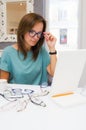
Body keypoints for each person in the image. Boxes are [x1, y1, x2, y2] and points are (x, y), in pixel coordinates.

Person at [0, 13, 57, 85]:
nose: (36, 37)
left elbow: (54, 73)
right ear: (23, 30)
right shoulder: (8, 53)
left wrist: (52, 48)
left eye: (39, 33)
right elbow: (2, 85)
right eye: (32, 32)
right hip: (16, 95)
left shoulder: (41, 51)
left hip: (39, 95)